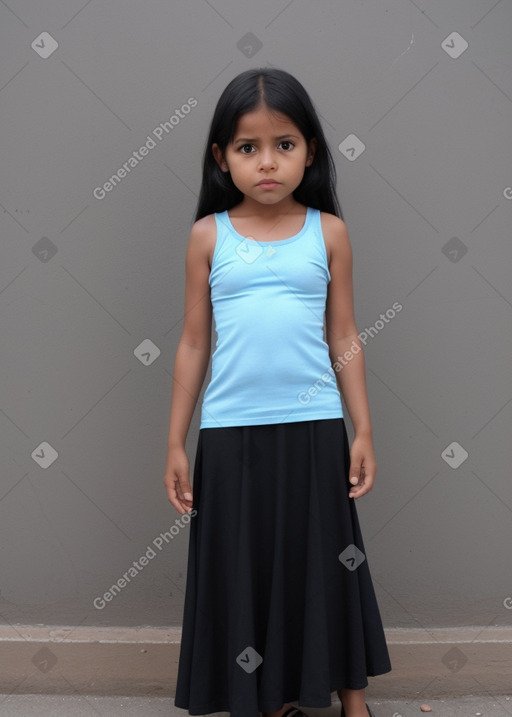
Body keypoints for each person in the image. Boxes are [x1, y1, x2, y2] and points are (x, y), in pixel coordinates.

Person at [163, 67, 392, 717]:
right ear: (221, 157)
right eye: (247, 147)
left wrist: (363, 428)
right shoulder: (209, 237)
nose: (267, 162)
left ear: (310, 150)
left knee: (328, 562)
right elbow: (191, 343)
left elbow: (344, 334)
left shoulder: (329, 233)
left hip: (315, 427)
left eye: (284, 144)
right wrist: (175, 441)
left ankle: (353, 700)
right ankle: (268, 697)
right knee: (248, 568)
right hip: (230, 434)